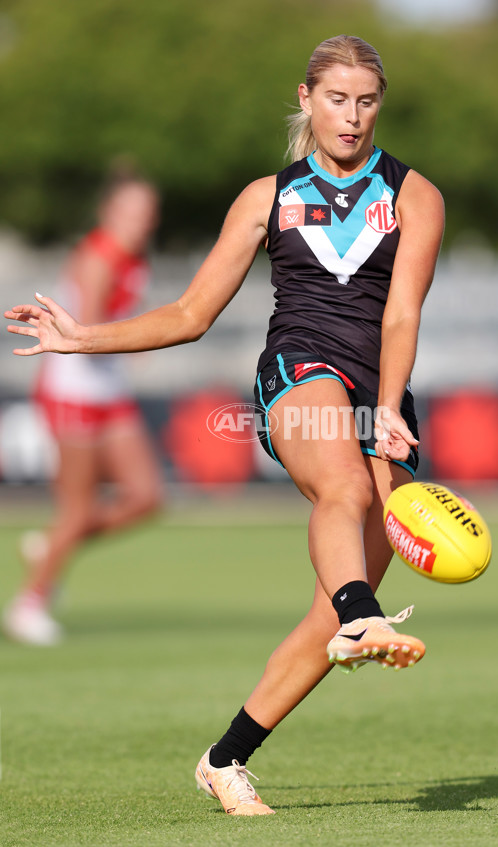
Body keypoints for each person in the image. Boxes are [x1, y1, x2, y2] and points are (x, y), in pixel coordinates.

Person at [5, 36, 444, 813]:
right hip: (299, 373)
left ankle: (225, 756)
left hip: (380, 389)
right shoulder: (265, 196)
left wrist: (391, 406)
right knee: (344, 497)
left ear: (381, 104)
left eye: (367, 100)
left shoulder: (415, 195)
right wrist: (81, 336)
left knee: (336, 603)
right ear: (306, 98)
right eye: (336, 99)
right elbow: (189, 313)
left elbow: (403, 312)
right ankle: (360, 618)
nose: (352, 115)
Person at [2, 175, 163, 646]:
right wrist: (140, 344)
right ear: (108, 211)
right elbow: (85, 333)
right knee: (77, 508)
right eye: (133, 210)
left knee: (145, 496)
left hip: (108, 390)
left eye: (148, 212)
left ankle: (48, 547)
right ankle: (29, 603)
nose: (142, 221)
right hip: (73, 391)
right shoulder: (98, 256)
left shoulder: (134, 258)